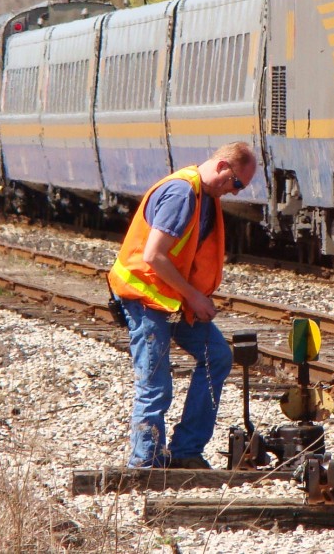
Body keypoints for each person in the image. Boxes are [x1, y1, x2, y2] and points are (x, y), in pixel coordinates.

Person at [107, 142, 258, 469]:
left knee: (217, 355)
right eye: (236, 184)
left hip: (171, 297)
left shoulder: (206, 196)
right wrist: (193, 295)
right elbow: (154, 256)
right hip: (145, 297)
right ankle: (144, 463)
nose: (235, 192)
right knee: (155, 383)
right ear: (221, 167)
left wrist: (194, 294)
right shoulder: (182, 194)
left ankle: (186, 450)